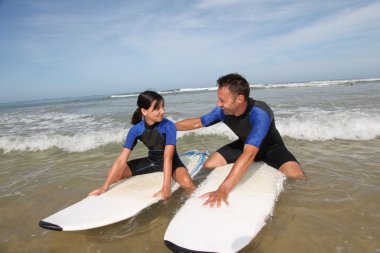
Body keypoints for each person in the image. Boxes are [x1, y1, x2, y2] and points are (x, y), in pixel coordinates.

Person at [176, 73, 305, 207]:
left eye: (222, 100)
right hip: (244, 145)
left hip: (272, 148)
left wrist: (223, 189)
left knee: (297, 176)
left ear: (239, 99)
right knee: (209, 164)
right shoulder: (222, 111)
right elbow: (197, 122)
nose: (218, 104)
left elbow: (249, 154)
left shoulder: (260, 113)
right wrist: (170, 127)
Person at [89, 90, 195, 199]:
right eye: (157, 108)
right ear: (144, 111)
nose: (162, 111)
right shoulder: (136, 130)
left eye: (163, 107)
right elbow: (122, 159)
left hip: (172, 162)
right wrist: (104, 187)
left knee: (188, 183)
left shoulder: (169, 126)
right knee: (113, 174)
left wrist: (166, 188)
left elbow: (168, 157)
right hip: (152, 161)